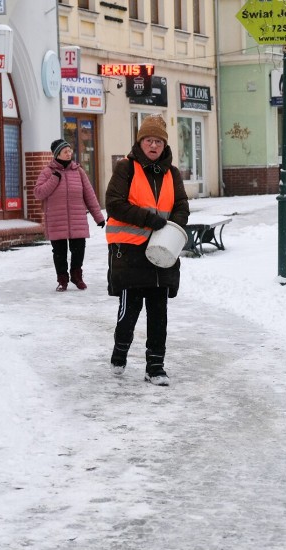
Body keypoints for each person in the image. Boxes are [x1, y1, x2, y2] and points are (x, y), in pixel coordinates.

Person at [104, 114, 190, 386]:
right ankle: (120, 352)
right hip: (130, 254)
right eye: (149, 140)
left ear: (164, 146)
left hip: (162, 253)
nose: (154, 146)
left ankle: (155, 367)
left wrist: (172, 228)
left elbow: (182, 206)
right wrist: (149, 219)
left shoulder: (172, 174)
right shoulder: (126, 168)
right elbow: (114, 203)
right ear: (140, 142)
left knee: (158, 314)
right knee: (129, 313)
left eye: (159, 142)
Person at [34, 139, 105, 292]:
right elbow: (39, 193)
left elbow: (89, 195)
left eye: (70, 151)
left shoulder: (78, 171)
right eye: (65, 151)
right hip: (56, 219)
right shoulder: (48, 172)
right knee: (59, 253)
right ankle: (62, 280)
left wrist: (98, 217)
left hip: (77, 218)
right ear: (57, 154)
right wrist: (54, 179)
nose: (69, 153)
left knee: (79, 249)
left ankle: (77, 276)